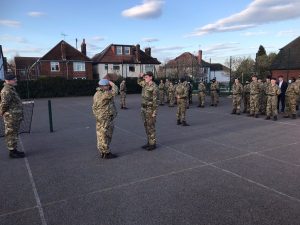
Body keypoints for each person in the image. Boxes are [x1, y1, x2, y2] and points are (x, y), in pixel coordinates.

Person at [0, 72, 25, 158]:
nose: (15, 80)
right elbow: (4, 104)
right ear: (8, 81)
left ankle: (14, 150)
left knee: (14, 133)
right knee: (11, 133)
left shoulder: (11, 89)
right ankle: (12, 152)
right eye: (14, 79)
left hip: (14, 116)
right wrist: (1, 113)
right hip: (10, 117)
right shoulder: (6, 91)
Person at [92, 79, 118, 159]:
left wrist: (96, 115)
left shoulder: (96, 94)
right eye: (107, 86)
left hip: (100, 117)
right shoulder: (105, 94)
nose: (109, 87)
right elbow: (116, 91)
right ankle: (107, 153)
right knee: (106, 134)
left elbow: (94, 107)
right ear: (103, 87)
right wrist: (112, 83)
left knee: (100, 134)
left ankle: (102, 151)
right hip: (105, 117)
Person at [138, 71, 158, 151]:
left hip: (150, 109)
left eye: (146, 77)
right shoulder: (145, 84)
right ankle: (149, 142)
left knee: (151, 127)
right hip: (143, 109)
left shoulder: (154, 87)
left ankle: (152, 144)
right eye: (144, 77)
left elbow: (156, 101)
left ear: (151, 77)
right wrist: (140, 76)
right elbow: (139, 81)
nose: (144, 78)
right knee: (146, 126)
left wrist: (154, 112)